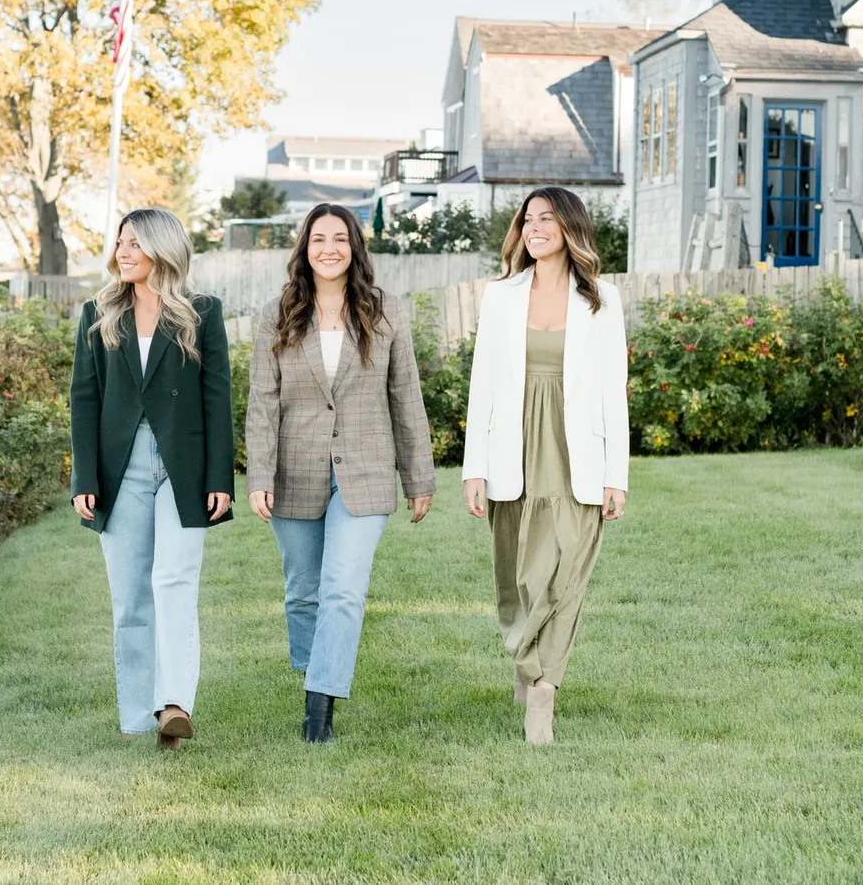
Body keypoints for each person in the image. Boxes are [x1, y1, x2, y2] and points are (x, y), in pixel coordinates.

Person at [246, 203, 435, 742]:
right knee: (303, 591)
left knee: (343, 589)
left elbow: (406, 397)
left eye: (340, 239)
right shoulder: (277, 313)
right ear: (304, 248)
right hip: (294, 471)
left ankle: (318, 710)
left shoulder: (384, 310)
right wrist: (259, 474)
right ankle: (316, 670)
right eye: (318, 239)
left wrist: (418, 478)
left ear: (355, 247)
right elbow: (262, 402)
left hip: (366, 472)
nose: (329, 248)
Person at [462, 186, 628, 743]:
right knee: (519, 576)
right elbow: (481, 386)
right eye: (527, 219)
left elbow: (614, 392)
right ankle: (526, 655)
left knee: (565, 574)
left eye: (546, 219)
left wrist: (615, 475)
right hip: (514, 449)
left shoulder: (602, 298)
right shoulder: (501, 296)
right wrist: (474, 468)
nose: (534, 228)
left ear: (569, 229)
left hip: (577, 453)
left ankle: (543, 692)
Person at [69, 207, 234, 750]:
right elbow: (84, 399)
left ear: (163, 248)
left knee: (175, 580)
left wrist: (220, 477)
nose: (124, 251)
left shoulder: (202, 313)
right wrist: (84, 477)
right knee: (131, 598)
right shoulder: (99, 313)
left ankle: (174, 705)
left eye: (135, 243)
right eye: (120, 242)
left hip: (183, 467)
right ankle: (138, 715)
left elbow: (217, 399)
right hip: (121, 469)